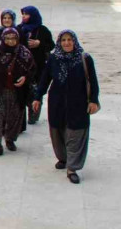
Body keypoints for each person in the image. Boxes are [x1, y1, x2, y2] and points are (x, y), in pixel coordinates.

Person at [33, 30, 100, 184]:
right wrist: (38, 97)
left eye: (70, 39)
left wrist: (93, 100)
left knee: (76, 133)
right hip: (57, 102)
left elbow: (93, 81)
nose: (67, 43)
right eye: (63, 40)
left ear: (75, 41)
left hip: (78, 103)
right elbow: (45, 79)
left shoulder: (85, 58)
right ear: (59, 42)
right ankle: (63, 158)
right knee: (57, 132)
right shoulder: (53, 58)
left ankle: (72, 167)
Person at [0, 28, 36, 156]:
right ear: (3, 39)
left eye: (13, 38)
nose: (10, 41)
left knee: (14, 118)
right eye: (7, 38)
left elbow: (33, 70)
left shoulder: (24, 53)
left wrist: (25, 78)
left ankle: (10, 139)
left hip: (16, 92)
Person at [19, 6, 54, 124]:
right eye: (23, 14)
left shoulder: (43, 30)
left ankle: (34, 112)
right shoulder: (19, 29)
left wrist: (39, 43)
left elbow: (51, 45)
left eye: (26, 14)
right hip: (22, 65)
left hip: (39, 66)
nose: (24, 16)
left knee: (37, 90)